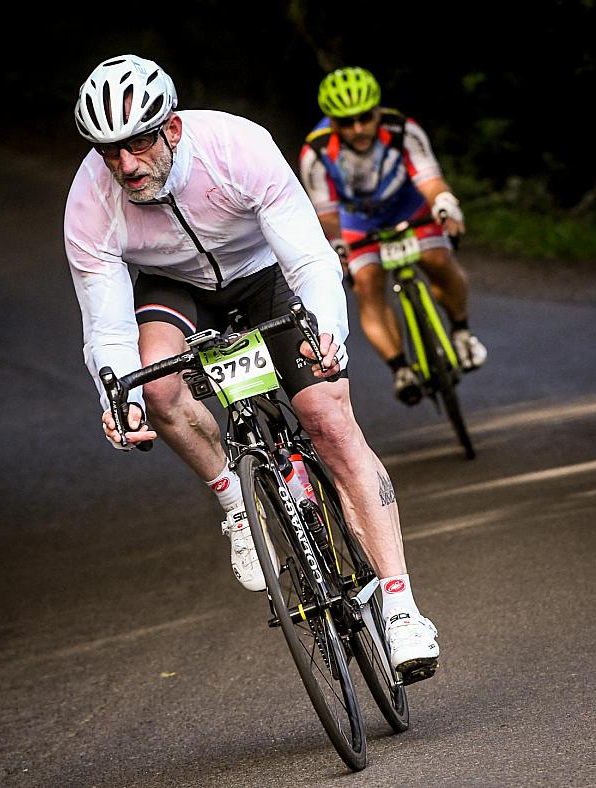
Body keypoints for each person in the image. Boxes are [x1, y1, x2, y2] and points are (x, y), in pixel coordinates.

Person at [64, 54, 439, 679]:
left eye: (136, 146)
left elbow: (311, 257)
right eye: (108, 152)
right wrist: (115, 396)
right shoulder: (89, 202)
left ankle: (401, 610)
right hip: (175, 285)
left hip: (265, 271)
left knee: (326, 414)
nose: (125, 166)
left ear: (171, 130)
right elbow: (105, 324)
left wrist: (326, 329)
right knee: (154, 386)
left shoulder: (236, 146)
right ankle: (238, 500)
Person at [299, 66, 487, 405]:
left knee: (438, 258)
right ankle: (400, 368)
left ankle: (461, 332)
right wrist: (338, 245)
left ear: (378, 112)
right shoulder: (316, 151)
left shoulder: (403, 129)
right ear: (331, 121)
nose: (357, 128)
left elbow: (430, 180)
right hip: (357, 222)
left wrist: (445, 204)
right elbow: (325, 213)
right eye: (345, 122)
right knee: (367, 283)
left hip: (409, 208)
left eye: (364, 117)